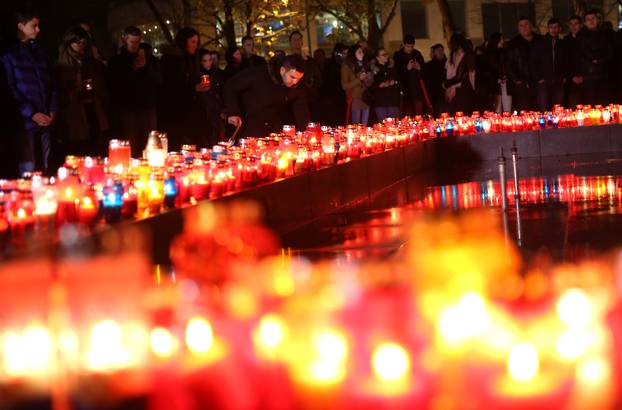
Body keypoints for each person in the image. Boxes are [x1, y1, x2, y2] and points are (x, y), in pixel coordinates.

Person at [0, 10, 56, 174]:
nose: (38, 30)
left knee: (46, 166)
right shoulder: (8, 56)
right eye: (34, 26)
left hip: (45, 120)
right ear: (21, 26)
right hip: (24, 123)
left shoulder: (40, 54)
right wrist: (31, 113)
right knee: (28, 167)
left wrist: (52, 110)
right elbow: (10, 90)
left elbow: (51, 84)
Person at [224, 54, 309, 138]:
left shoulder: (296, 85)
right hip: (251, 126)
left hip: (276, 129)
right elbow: (231, 86)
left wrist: (305, 132)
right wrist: (233, 112)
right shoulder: (257, 74)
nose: (295, 82)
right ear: (282, 70)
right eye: (292, 77)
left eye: (299, 79)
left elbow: (301, 108)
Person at [107, 26, 161, 157]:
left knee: (150, 144)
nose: (135, 45)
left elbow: (159, 80)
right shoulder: (116, 62)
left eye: (137, 42)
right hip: (128, 110)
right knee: (131, 144)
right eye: (132, 42)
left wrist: (146, 67)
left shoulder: (150, 60)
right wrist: (133, 69)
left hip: (148, 108)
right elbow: (115, 86)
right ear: (125, 40)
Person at [55, 26, 109, 158]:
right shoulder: (64, 63)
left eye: (83, 43)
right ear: (69, 42)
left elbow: (100, 80)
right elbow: (62, 89)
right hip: (75, 112)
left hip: (92, 107)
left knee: (95, 145)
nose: (80, 46)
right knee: (79, 148)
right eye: (77, 42)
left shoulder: (88, 61)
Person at [160, 27, 202, 149]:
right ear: (184, 42)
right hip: (174, 113)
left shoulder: (191, 59)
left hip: (189, 110)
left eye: (197, 42)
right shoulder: (171, 59)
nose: (196, 46)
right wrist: (194, 88)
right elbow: (171, 87)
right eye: (193, 42)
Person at [529, 18, 568, 111]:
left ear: (559, 29)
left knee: (558, 107)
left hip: (558, 81)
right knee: (544, 107)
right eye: (551, 27)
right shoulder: (540, 43)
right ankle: (545, 125)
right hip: (544, 81)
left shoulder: (562, 43)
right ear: (548, 28)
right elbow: (533, 61)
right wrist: (538, 78)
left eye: (555, 27)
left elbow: (566, 61)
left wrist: (564, 76)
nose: (553, 30)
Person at [506, 17, 540, 111]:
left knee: (539, 108)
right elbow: (508, 63)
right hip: (522, 82)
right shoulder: (513, 43)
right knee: (524, 109)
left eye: (526, 25)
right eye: (521, 26)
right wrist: (516, 79)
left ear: (531, 26)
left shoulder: (539, 40)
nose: (524, 28)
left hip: (538, 81)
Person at [579, 10, 612, 105]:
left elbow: (610, 52)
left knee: (604, 104)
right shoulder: (581, 36)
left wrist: (600, 60)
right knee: (590, 103)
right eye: (588, 19)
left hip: (603, 74)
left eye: (593, 18)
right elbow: (579, 54)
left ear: (598, 20)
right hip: (588, 76)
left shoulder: (605, 34)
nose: (591, 21)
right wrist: (591, 61)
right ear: (584, 23)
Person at [289, 30, 322, 120]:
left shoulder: (310, 61)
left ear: (302, 42)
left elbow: (318, 79)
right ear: (290, 43)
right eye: (294, 39)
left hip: (309, 100)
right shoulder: (286, 61)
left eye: (298, 39)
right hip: (292, 101)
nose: (296, 42)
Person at [393, 34, 428, 116]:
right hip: (405, 89)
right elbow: (396, 72)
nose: (410, 49)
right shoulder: (398, 55)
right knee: (407, 113)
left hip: (417, 89)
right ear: (404, 44)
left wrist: (419, 68)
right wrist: (407, 68)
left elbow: (424, 72)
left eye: (412, 46)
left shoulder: (417, 54)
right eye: (408, 46)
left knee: (418, 112)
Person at [443, 33, 476, 115]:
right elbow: (447, 69)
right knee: (454, 114)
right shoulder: (453, 55)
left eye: (451, 43)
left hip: (463, 89)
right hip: (455, 89)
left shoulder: (466, 55)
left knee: (461, 114)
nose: (449, 45)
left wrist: (447, 84)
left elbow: (460, 76)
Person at [197, 49, 225, 147]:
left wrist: (222, 109)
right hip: (203, 113)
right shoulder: (197, 75)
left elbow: (220, 93)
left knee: (217, 139)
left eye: (210, 60)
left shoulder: (216, 74)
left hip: (216, 112)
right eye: (205, 61)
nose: (208, 63)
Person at [341, 44, 373, 125]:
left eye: (362, 52)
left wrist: (369, 79)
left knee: (364, 126)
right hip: (354, 99)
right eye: (359, 52)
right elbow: (344, 86)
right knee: (356, 126)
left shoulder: (365, 64)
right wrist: (359, 79)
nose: (362, 54)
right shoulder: (347, 66)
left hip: (366, 98)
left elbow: (368, 83)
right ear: (353, 53)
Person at [478, 33, 509, 112]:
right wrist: (496, 78)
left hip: (505, 82)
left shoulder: (504, 52)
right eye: (501, 39)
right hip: (493, 85)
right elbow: (487, 70)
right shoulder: (488, 55)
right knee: (496, 107)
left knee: (507, 106)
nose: (502, 41)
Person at [369, 47, 400, 121]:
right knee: (383, 127)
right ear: (377, 58)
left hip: (393, 101)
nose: (386, 56)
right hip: (380, 102)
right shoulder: (373, 70)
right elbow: (369, 85)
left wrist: (394, 82)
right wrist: (379, 85)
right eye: (383, 55)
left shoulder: (392, 67)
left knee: (394, 127)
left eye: (387, 54)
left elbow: (400, 81)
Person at [565, 15, 584, 108]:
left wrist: (583, 76)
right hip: (571, 80)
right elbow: (565, 61)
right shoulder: (566, 40)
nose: (573, 26)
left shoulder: (586, 39)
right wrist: (572, 76)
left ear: (580, 25)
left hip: (586, 78)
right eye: (571, 24)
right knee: (574, 106)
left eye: (576, 24)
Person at [423, 44, 447, 116]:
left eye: (441, 50)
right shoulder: (429, 65)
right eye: (438, 50)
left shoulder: (447, 63)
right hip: (435, 95)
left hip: (447, 92)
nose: (440, 52)